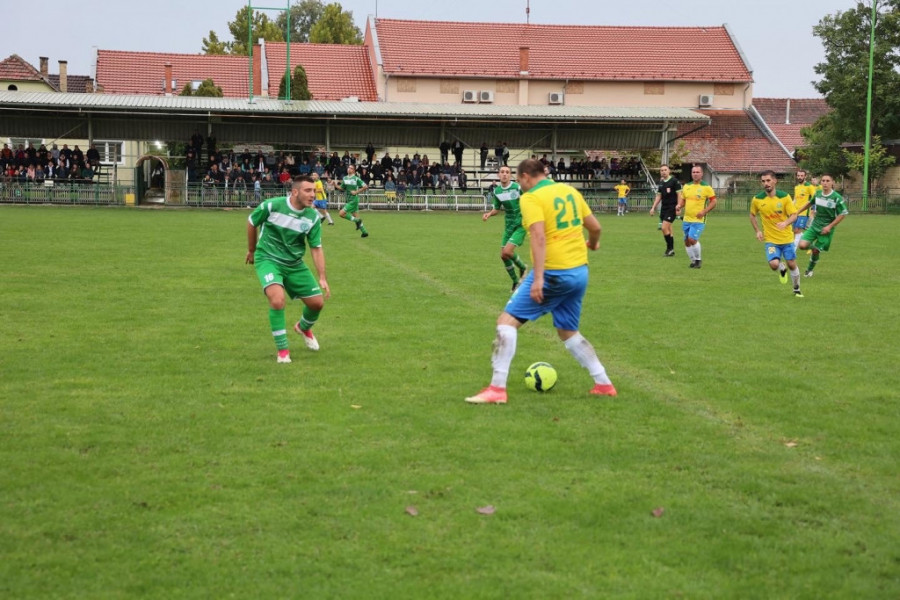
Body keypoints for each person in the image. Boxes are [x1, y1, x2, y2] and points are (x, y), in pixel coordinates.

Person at [465, 159, 617, 404]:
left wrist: (537, 278)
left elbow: (538, 236)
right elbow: (595, 227)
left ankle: (497, 389)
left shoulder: (531, 198)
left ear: (526, 176)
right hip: (579, 272)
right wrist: (593, 243)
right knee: (567, 331)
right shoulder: (569, 191)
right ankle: (604, 383)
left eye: (519, 179)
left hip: (553, 273)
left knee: (506, 323)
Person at [246, 176, 330, 363]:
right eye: (308, 191)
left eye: (314, 191)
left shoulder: (313, 217)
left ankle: (303, 327)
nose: (312, 195)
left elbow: (316, 248)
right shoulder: (272, 206)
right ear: (294, 192)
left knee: (317, 303)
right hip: (268, 259)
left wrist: (322, 277)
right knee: (277, 300)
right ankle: (283, 351)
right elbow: (252, 221)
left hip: (294, 264)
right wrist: (251, 250)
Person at [750, 170, 804, 298]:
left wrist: (786, 223)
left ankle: (796, 289)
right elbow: (752, 215)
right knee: (774, 265)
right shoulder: (757, 199)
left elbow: (794, 215)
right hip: (771, 240)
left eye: (768, 180)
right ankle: (781, 267)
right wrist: (757, 230)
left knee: (792, 264)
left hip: (786, 239)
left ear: (775, 181)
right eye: (763, 181)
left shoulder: (784, 197)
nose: (766, 183)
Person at [482, 165, 529, 292]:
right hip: (508, 224)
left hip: (520, 223)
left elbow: (528, 198)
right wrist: (489, 214)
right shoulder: (497, 191)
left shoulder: (517, 187)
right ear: (498, 175)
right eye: (502, 172)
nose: (504, 174)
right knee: (503, 255)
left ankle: (523, 267)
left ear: (510, 175)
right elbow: (497, 209)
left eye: (507, 172)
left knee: (507, 251)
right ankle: (515, 281)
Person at [795, 173, 848, 277]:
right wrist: (797, 212)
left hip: (826, 229)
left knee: (815, 252)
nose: (825, 183)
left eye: (828, 181)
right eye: (823, 181)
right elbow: (810, 203)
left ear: (832, 183)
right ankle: (814, 248)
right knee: (802, 245)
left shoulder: (836, 197)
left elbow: (843, 213)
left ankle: (809, 270)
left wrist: (829, 226)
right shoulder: (818, 193)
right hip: (815, 226)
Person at [678, 165, 717, 268]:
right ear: (691, 174)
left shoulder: (706, 187)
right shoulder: (687, 186)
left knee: (692, 239)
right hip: (687, 218)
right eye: (693, 172)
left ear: (702, 174)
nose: (695, 174)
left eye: (697, 172)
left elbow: (714, 202)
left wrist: (704, 211)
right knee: (686, 241)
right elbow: (683, 200)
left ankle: (698, 260)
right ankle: (693, 261)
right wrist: (679, 206)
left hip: (698, 219)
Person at [649, 164, 682, 256]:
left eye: (665, 170)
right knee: (669, 229)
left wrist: (679, 206)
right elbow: (659, 196)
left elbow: (679, 195)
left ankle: (669, 249)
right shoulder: (661, 183)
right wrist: (653, 207)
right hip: (664, 208)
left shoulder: (674, 181)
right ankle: (671, 250)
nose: (663, 172)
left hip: (672, 207)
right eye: (661, 170)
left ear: (669, 171)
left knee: (664, 228)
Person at [338, 165, 370, 238]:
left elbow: (365, 186)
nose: (349, 169)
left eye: (351, 168)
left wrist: (356, 192)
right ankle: (364, 232)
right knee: (356, 216)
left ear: (353, 171)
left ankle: (357, 221)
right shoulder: (345, 178)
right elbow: (342, 188)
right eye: (348, 168)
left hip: (353, 200)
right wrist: (335, 185)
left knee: (341, 213)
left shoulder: (356, 178)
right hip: (349, 199)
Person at [792, 169, 817, 249]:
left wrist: (814, 209)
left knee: (797, 230)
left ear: (805, 176)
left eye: (801, 176)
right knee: (795, 231)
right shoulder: (796, 187)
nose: (800, 177)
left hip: (804, 212)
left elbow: (815, 198)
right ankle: (809, 243)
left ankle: (793, 251)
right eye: (798, 175)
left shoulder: (809, 187)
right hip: (795, 212)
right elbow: (795, 199)